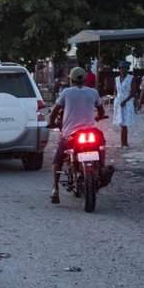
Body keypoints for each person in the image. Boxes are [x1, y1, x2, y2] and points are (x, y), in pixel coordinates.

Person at [48, 66, 107, 205]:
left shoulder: (66, 92)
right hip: (90, 132)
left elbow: (55, 111)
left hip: (70, 135)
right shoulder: (93, 92)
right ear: (85, 79)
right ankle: (102, 167)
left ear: (71, 80)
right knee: (102, 145)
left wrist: (51, 123)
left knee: (57, 161)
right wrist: (98, 117)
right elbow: (101, 110)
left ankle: (55, 190)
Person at [114, 60, 135, 148]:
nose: (123, 70)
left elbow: (133, 92)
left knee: (125, 124)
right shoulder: (116, 79)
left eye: (125, 69)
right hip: (119, 103)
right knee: (121, 124)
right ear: (119, 69)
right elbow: (115, 90)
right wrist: (116, 99)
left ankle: (124, 143)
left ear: (127, 69)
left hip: (127, 102)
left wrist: (125, 101)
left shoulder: (131, 78)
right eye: (121, 69)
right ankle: (123, 143)